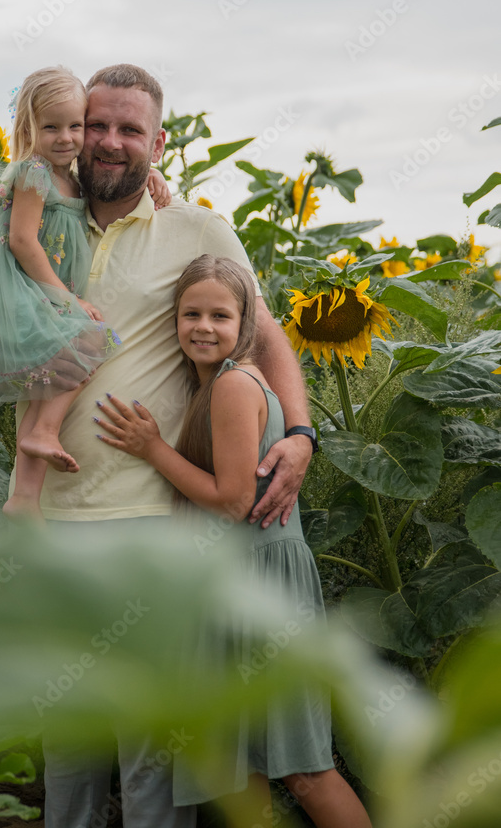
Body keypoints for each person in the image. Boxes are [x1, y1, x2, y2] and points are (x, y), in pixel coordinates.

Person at [11, 64, 316, 827]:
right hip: (50, 514)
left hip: (154, 518)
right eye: (96, 125)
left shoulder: (196, 229)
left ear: (158, 140)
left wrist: (303, 435)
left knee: (151, 742)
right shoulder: (42, 218)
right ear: (74, 130)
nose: (109, 142)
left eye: (129, 129)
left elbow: (263, 332)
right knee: (70, 735)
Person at [94, 254, 373, 828]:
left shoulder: (234, 385)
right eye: (190, 313)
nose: (203, 326)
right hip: (234, 584)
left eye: (220, 315)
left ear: (245, 323)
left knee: (304, 768)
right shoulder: (212, 387)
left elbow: (233, 501)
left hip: (264, 584)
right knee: (241, 770)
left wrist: (153, 449)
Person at [0, 66, 170, 520]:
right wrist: (66, 299)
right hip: (21, 289)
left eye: (76, 126)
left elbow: (118, 181)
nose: (67, 138)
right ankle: (45, 433)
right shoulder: (34, 171)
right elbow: (22, 241)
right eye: (51, 127)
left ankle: (25, 496)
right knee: (91, 341)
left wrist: (154, 176)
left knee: (46, 379)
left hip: (39, 288)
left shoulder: (68, 174)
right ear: (28, 129)